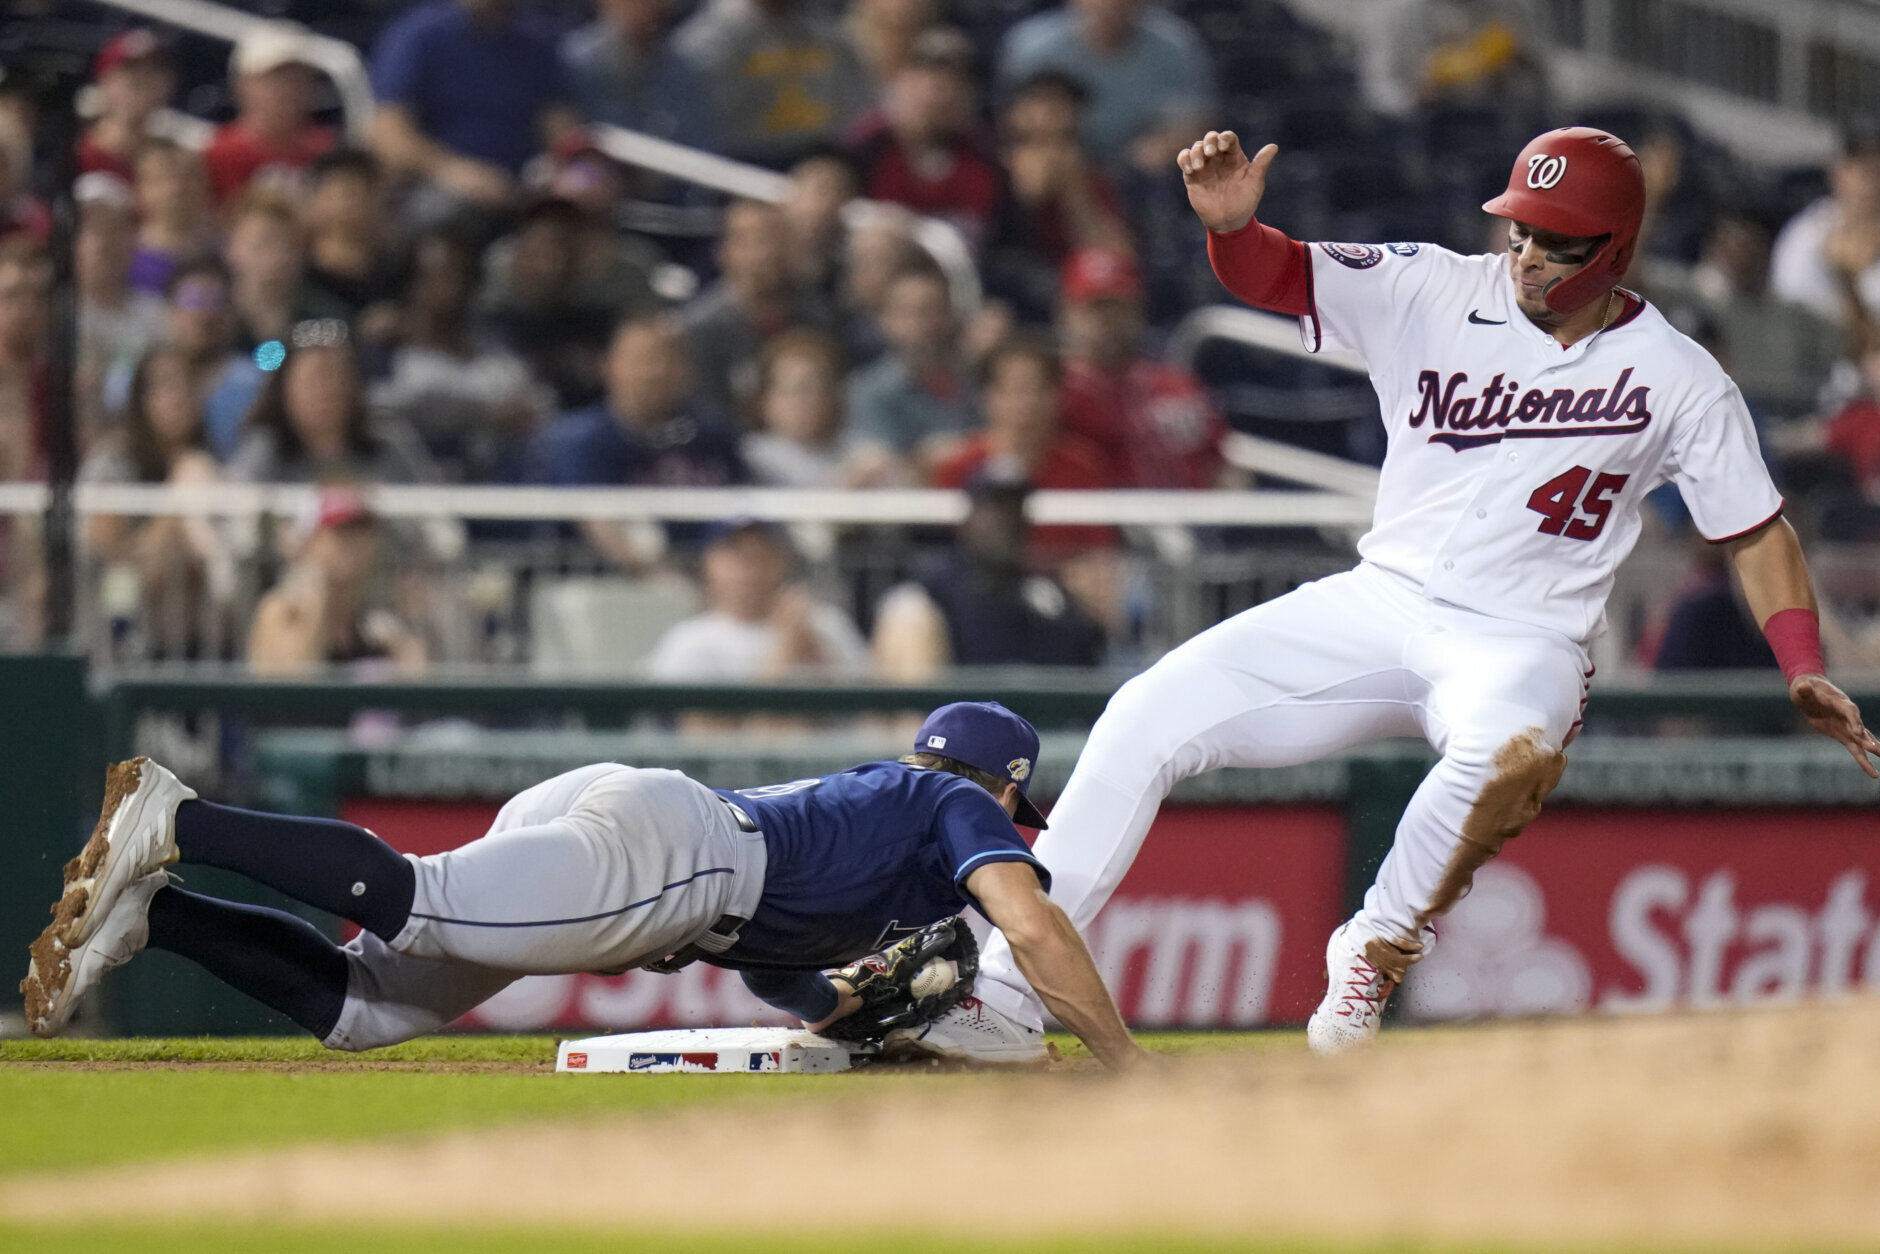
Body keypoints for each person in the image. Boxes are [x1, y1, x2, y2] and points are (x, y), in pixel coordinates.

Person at [912, 125, 1880, 1063]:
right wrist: (1230, 229)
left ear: (1614, 248)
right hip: (1380, 603)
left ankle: (1372, 946)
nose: (1528, 252)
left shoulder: (1676, 375)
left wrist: (1799, 661)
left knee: (1506, 754)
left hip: (1523, 637)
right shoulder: (1430, 284)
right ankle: (1002, 991)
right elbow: (1275, 275)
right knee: (1142, 714)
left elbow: (1751, 528)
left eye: (1556, 239)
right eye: (1520, 227)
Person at [23, 704, 1146, 1071]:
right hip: (681, 855)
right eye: (1016, 806)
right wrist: (1123, 1062)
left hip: (672, 839)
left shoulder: (874, 818)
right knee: (420, 897)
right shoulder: (948, 802)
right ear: (1001, 784)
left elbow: (769, 962)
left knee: (375, 1007)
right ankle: (180, 818)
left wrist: (841, 1013)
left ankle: (159, 914)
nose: (1011, 826)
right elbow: (1034, 928)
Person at [530, 315, 743, 564]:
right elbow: (604, 525)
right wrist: (672, 587)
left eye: (669, 359)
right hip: (605, 583)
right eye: (642, 360)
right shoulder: (579, 439)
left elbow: (741, 514)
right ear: (608, 366)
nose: (656, 372)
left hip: (709, 574)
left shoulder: (713, 434)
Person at [873, 476, 1107, 678]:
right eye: (994, 509)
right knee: (908, 612)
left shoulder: (1048, 593)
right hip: (957, 717)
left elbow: (1084, 663)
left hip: (1035, 720)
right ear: (969, 518)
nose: (1005, 522)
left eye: (1014, 510)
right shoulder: (939, 580)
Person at [369, 230, 546, 483]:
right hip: (414, 487)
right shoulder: (386, 352)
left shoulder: (498, 351)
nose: (451, 288)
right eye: (436, 276)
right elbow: (379, 414)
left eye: (460, 276)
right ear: (412, 283)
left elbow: (538, 409)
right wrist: (481, 417)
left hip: (499, 487)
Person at [368, 0, 577, 215]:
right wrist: (450, 170)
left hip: (524, 184)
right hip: (439, 183)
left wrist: (560, 175)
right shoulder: (417, 37)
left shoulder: (539, 41)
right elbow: (389, 135)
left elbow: (560, 128)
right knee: (443, 212)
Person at [1056, 245, 1229, 489]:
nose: (1108, 322)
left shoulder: (1177, 385)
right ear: (1068, 314)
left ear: (1138, 310)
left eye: (1119, 308)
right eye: (1096, 309)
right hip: (1108, 520)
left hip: (1196, 518)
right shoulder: (1055, 392)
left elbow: (1222, 465)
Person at [997, 0, 1216, 176]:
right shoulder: (1032, 47)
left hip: (1141, 174)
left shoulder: (1175, 45)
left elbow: (1196, 124)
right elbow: (1008, 124)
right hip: (1060, 164)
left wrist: (1167, 145)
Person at [645, 518, 870, 681]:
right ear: (709, 562)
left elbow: (866, 713)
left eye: (762, 553)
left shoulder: (826, 623)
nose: (750, 568)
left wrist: (815, 649)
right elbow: (704, 738)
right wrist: (786, 649)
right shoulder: (690, 641)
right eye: (738, 554)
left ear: (782, 560)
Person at [247, 485, 429, 675]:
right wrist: (317, 603)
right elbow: (286, 687)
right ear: (311, 540)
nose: (352, 542)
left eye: (362, 530)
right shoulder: (280, 611)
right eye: (339, 531)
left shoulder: (376, 628)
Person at [847, 27, 1002, 248]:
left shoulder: (985, 157)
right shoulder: (865, 147)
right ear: (902, 82)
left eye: (956, 82)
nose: (944, 94)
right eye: (932, 80)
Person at [678, 199, 833, 417]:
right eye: (754, 241)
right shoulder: (696, 329)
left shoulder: (818, 317)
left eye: (778, 240)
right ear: (725, 252)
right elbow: (705, 414)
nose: (768, 254)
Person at [230, 321, 435, 485]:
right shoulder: (265, 451)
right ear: (285, 391)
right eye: (315, 379)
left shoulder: (390, 445)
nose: (328, 390)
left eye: (339, 377)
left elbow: (433, 518)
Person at [673, 0, 871, 167]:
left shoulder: (827, 30)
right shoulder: (704, 43)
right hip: (741, 165)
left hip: (821, 157)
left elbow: (855, 111)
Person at [845, 262, 977, 483]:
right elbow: (879, 469)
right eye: (909, 312)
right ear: (886, 321)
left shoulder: (978, 383)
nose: (923, 323)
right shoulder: (868, 390)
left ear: (951, 315)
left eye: (933, 309)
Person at [202, 25, 339, 208]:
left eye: (298, 78)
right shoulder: (218, 157)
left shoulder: (328, 152)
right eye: (275, 79)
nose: (288, 90)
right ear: (243, 86)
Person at [561, 0, 715, 149]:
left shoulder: (681, 63)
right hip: (606, 167)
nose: (638, 7)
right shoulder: (577, 60)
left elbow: (696, 141)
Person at [1771, 124, 1880, 329]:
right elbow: (1792, 327)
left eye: (1878, 171)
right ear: (1836, 172)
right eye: (1863, 171)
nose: (1872, 183)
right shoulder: (1807, 235)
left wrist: (1846, 279)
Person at [741, 329, 851, 487]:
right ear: (764, 399)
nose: (801, 402)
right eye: (791, 390)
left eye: (813, 389)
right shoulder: (748, 459)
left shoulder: (856, 455)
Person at [77, 29, 176, 183]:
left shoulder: (174, 163)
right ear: (104, 80)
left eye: (155, 71)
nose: (145, 81)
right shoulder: (77, 153)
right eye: (131, 72)